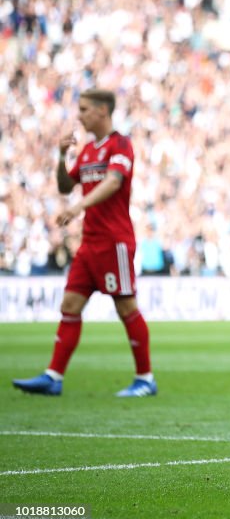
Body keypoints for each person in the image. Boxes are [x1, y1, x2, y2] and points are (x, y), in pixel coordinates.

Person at [12, 89, 156, 397]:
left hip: (114, 241)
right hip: (89, 244)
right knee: (70, 304)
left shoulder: (120, 145)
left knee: (125, 305)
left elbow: (114, 181)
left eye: (85, 109)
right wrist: (62, 157)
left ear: (103, 111)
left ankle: (145, 378)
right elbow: (66, 186)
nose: (79, 115)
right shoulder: (89, 150)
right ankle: (53, 376)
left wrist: (79, 207)